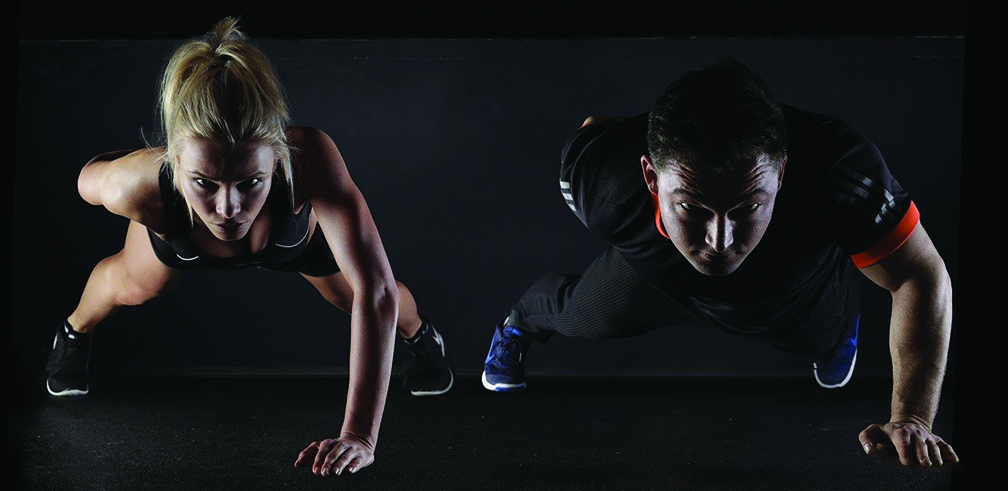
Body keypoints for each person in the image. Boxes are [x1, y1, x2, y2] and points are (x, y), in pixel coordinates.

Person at [481, 58, 957, 468]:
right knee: (578, 316)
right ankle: (518, 322)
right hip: (654, 281)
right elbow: (593, 131)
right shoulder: (602, 179)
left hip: (788, 294)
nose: (720, 240)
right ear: (650, 176)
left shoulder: (839, 168)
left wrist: (913, 417)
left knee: (821, 336)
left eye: (747, 206)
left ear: (783, 173)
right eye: (693, 207)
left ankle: (835, 324)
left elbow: (919, 274)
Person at [42, 17, 453, 477]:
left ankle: (420, 338)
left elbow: (376, 291)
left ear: (276, 157)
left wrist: (359, 434)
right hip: (181, 238)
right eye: (205, 182)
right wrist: (149, 166)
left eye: (250, 182)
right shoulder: (134, 185)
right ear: (175, 159)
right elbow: (86, 179)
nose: (229, 208)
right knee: (133, 286)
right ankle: (74, 333)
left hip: (291, 244)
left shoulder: (308, 157)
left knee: (356, 296)